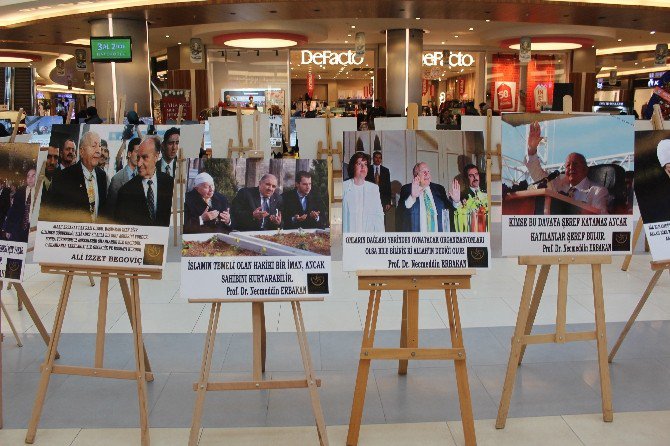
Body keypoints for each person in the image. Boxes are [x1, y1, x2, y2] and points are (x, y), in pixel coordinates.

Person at [525, 121, 609, 214]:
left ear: (586, 169)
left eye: (576, 164)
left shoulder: (597, 191)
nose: (571, 168)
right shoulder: (558, 183)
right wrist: (532, 149)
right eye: (568, 165)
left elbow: (603, 219)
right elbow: (538, 175)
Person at [45, 131, 107, 223]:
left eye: (99, 146)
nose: (98, 151)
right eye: (94, 146)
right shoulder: (64, 177)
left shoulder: (102, 176)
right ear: (81, 151)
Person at [115, 137, 174, 226]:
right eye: (138, 157)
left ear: (156, 156)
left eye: (144, 157)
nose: (139, 163)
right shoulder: (125, 192)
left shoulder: (170, 184)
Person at [397, 162, 457, 232]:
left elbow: (448, 212)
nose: (427, 174)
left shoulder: (439, 189)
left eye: (428, 171)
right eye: (423, 171)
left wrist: (456, 202)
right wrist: (412, 197)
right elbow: (401, 213)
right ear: (416, 176)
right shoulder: (407, 189)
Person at [342, 152, 384, 233]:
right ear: (353, 167)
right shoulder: (343, 187)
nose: (363, 167)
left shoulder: (374, 188)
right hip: (348, 236)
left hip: (367, 239)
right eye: (359, 164)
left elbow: (379, 217)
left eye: (365, 164)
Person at [106, 137, 140, 214]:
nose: (139, 156)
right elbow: (110, 209)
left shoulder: (142, 177)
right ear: (129, 154)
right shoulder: (117, 179)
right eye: (137, 152)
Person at [3, 168, 36, 242]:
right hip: (18, 228)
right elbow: (12, 211)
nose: (30, 178)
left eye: (33, 176)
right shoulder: (20, 192)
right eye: (28, 176)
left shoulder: (41, 193)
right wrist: (8, 229)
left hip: (34, 230)